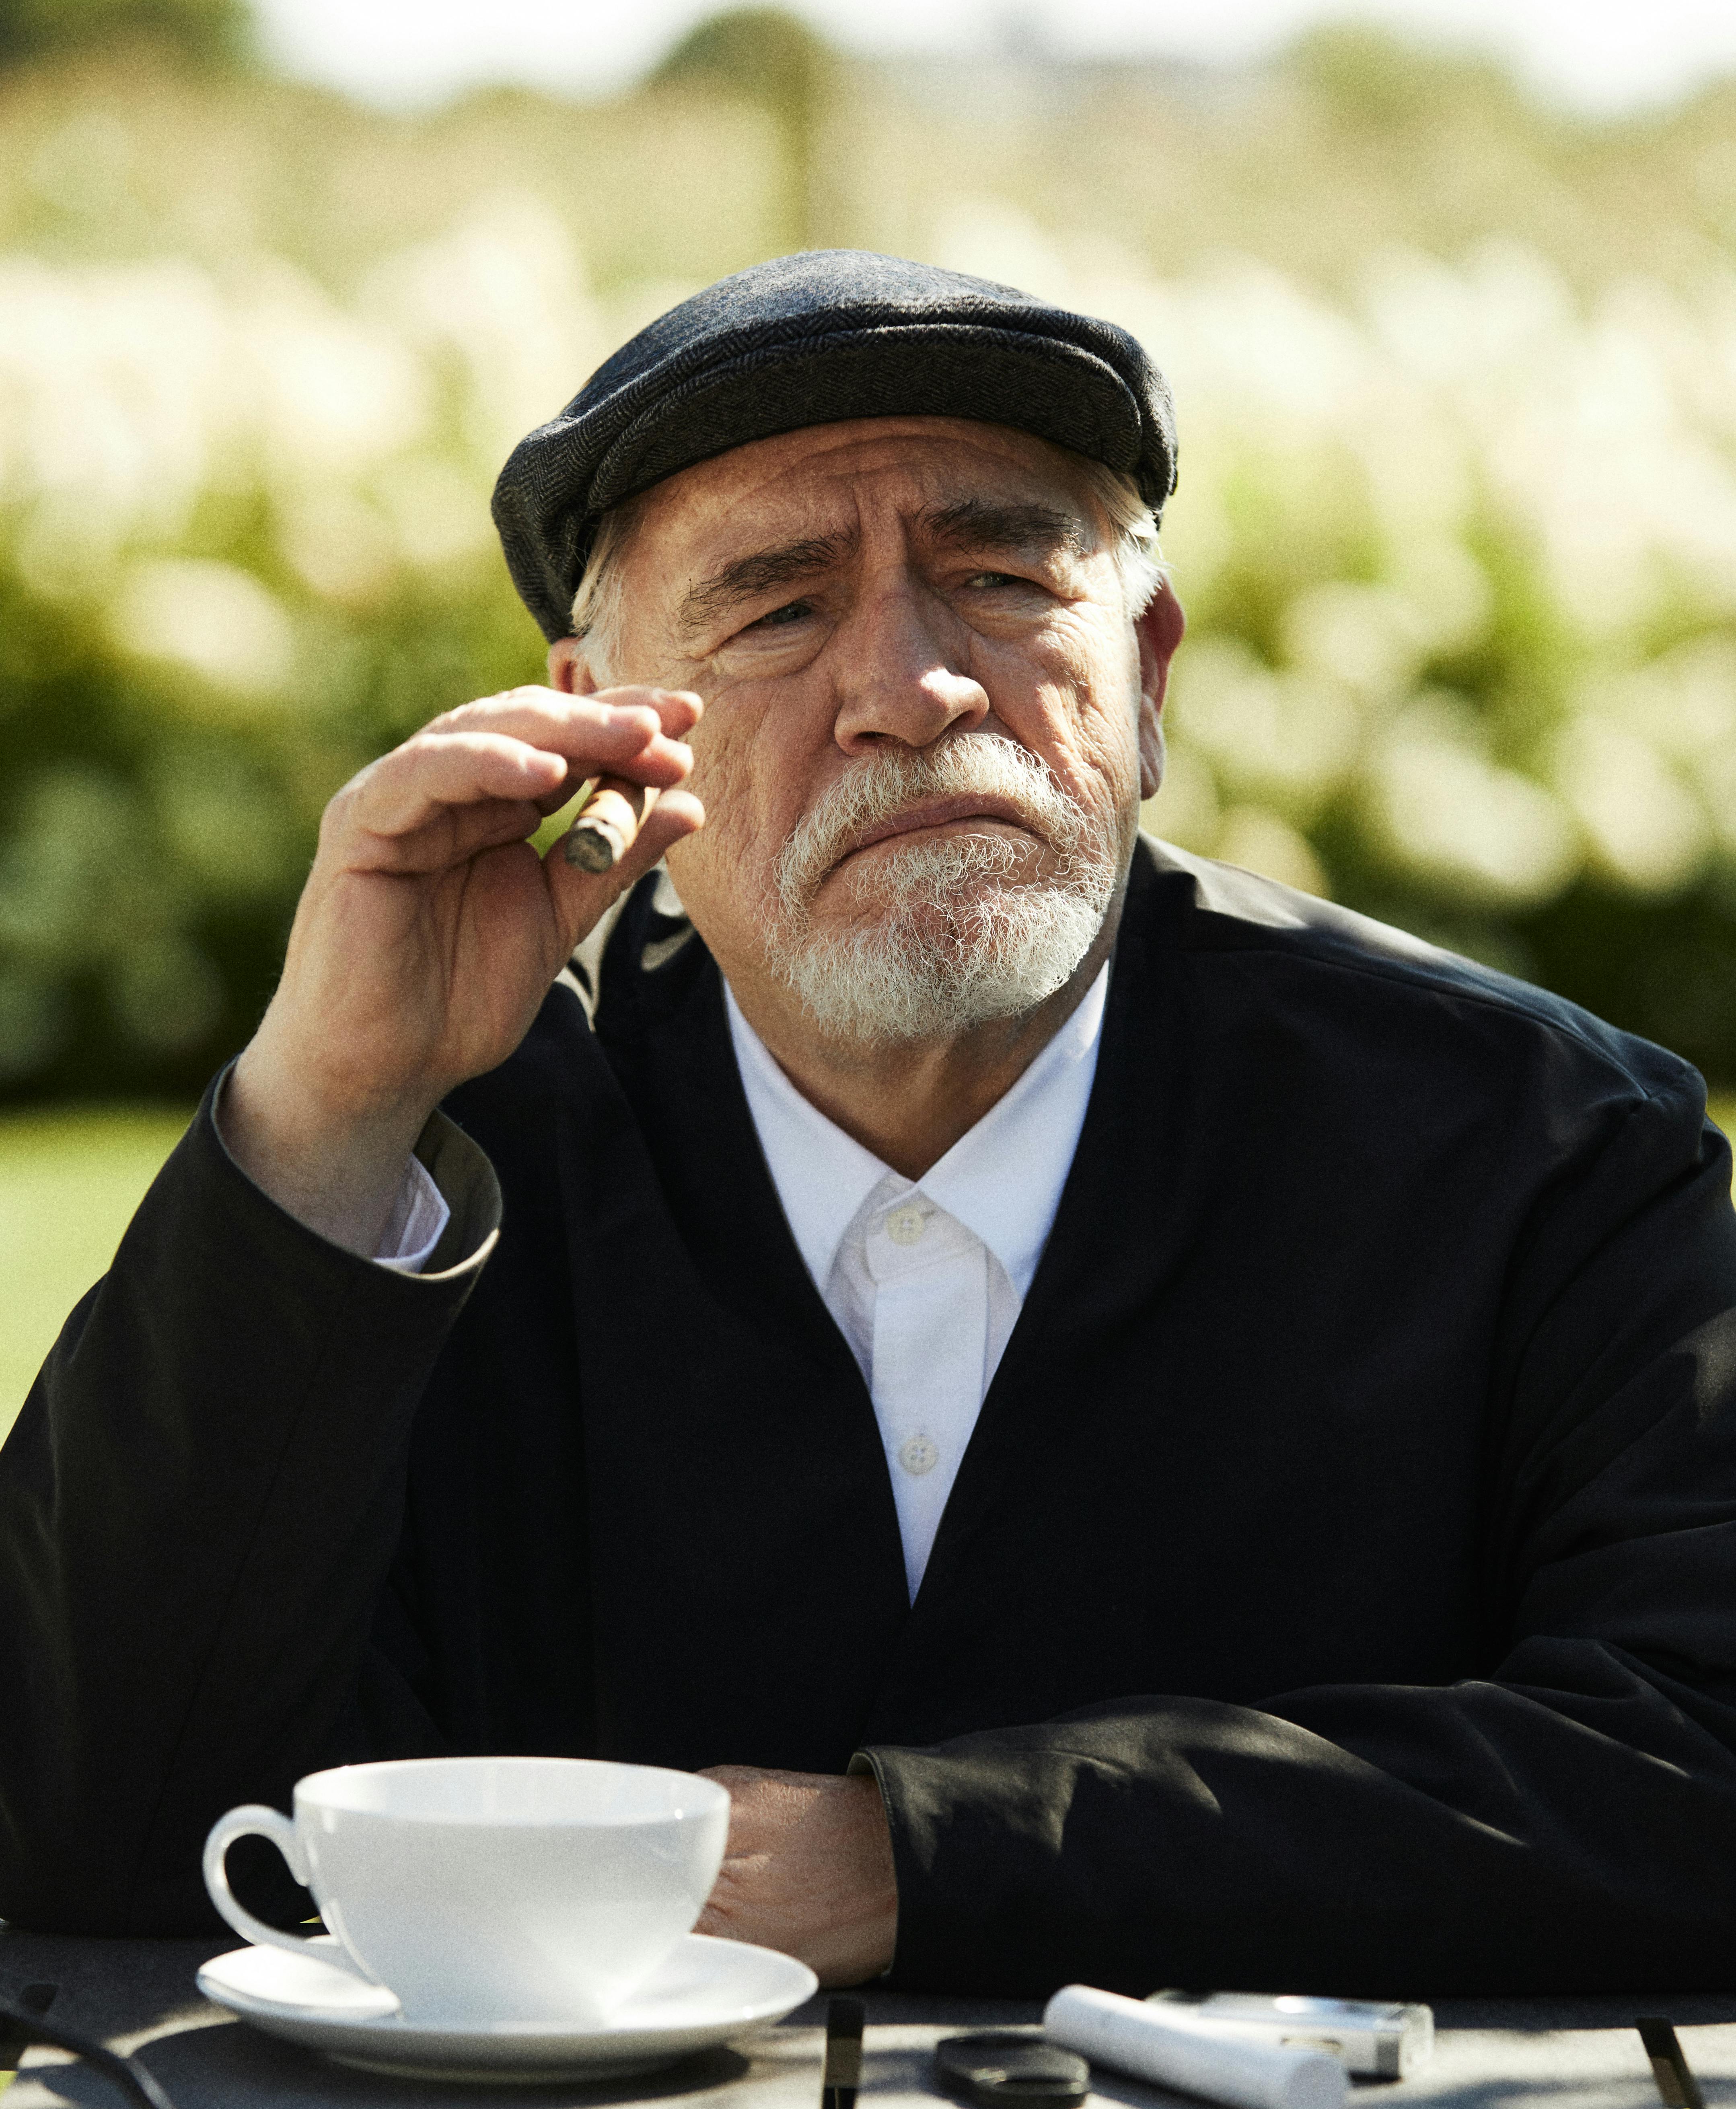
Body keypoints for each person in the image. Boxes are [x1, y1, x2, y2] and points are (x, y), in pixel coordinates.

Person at [4, 251, 1736, 1996]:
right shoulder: (448, 1156)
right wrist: (320, 1115)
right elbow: (90, 1817)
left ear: (1145, 674)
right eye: (773, 608)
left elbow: (1699, 1758)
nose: (909, 685)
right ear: (606, 734)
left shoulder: (1536, 1150)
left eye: (997, 577)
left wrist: (920, 1856)